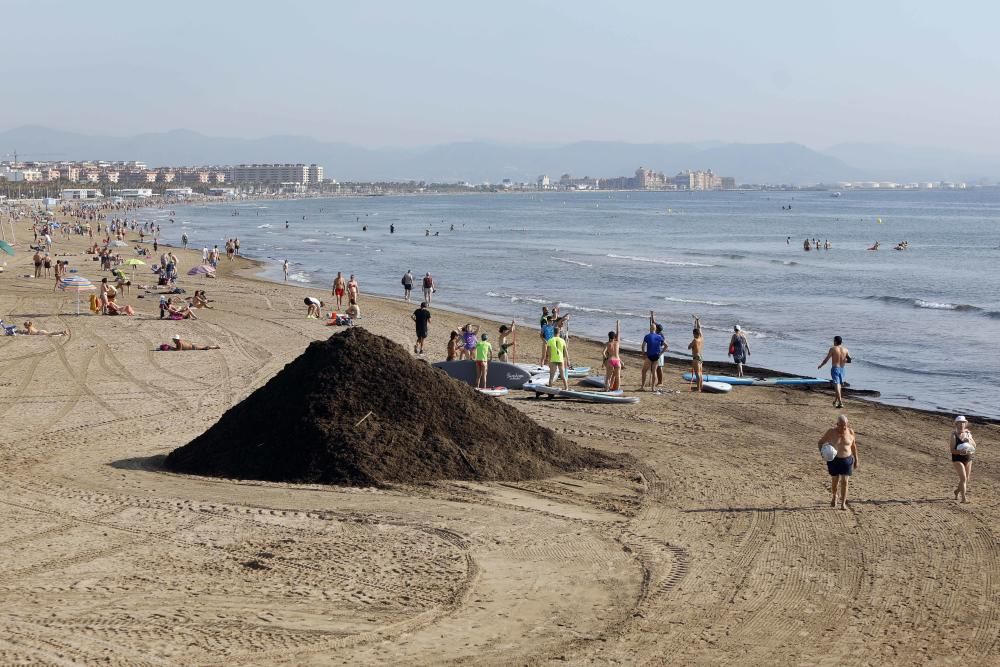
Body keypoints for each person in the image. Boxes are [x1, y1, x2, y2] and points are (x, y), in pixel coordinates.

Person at [818, 415, 860, 510]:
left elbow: (853, 446)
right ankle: (834, 496)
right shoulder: (831, 432)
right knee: (835, 481)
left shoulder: (850, 432)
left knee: (845, 481)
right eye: (841, 425)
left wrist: (856, 460)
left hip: (847, 459)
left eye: (845, 425)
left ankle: (843, 503)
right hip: (834, 460)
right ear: (837, 424)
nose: (843, 428)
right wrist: (822, 453)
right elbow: (820, 442)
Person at [818, 335, 851, 408]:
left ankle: (840, 402)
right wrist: (844, 360)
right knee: (838, 386)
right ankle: (835, 401)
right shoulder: (846, 349)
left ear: (835, 341)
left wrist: (820, 365)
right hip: (842, 369)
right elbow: (850, 360)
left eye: (833, 340)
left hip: (835, 368)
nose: (833, 342)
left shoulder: (833, 349)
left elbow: (826, 359)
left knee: (837, 386)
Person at [950, 416, 977, 504]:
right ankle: (964, 498)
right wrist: (961, 452)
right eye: (960, 423)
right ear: (956, 424)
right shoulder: (954, 435)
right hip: (957, 458)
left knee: (966, 479)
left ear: (965, 424)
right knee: (963, 478)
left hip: (968, 458)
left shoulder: (968, 434)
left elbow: (974, 447)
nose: (962, 424)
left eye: (963, 423)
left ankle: (957, 491)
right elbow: (952, 450)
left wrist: (969, 439)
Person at [640, 311, 666, 392]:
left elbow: (643, 346)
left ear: (650, 329)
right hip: (657, 356)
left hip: (650, 356)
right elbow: (666, 345)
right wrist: (661, 353)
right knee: (654, 371)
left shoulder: (647, 336)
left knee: (644, 371)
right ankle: (653, 388)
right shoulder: (660, 336)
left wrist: (643, 353)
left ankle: (642, 387)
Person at [603, 323, 623, 391]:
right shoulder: (617, 342)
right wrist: (618, 324)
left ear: (608, 336)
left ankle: (606, 389)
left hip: (610, 360)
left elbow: (603, 352)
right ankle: (617, 390)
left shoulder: (607, 344)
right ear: (614, 337)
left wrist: (605, 359)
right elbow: (618, 332)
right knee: (617, 377)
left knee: (608, 377)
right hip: (617, 361)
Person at [687, 315, 704, 392]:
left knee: (697, 374)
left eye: (693, 334)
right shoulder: (701, 338)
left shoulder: (695, 340)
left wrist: (691, 342)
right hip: (700, 357)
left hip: (696, 358)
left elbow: (689, 347)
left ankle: (698, 388)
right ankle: (701, 386)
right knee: (700, 373)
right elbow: (700, 329)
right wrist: (697, 321)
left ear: (695, 334)